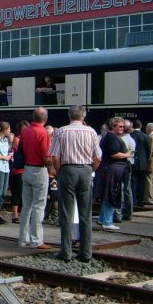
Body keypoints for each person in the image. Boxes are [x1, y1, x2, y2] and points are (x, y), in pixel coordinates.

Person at [49, 105, 101, 263]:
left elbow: (55, 157)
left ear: (69, 115)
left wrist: (59, 173)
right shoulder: (91, 132)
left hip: (67, 169)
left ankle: (66, 251)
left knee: (66, 212)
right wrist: (89, 169)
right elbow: (98, 157)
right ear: (83, 116)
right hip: (85, 170)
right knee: (86, 214)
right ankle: (86, 252)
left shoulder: (62, 131)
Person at [18, 107, 53, 249]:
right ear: (45, 118)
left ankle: (23, 239)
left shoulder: (26, 131)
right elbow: (46, 156)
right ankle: (36, 240)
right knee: (39, 206)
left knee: (26, 206)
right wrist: (53, 167)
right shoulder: (43, 133)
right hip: (39, 170)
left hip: (26, 169)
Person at [95, 117, 131, 231]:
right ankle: (107, 221)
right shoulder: (112, 137)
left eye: (123, 126)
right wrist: (127, 154)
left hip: (111, 170)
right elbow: (114, 154)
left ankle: (102, 218)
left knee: (109, 194)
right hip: (112, 171)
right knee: (111, 195)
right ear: (113, 126)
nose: (122, 128)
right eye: (119, 126)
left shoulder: (109, 137)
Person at [9, 120, 29, 224]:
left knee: (25, 193)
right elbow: (17, 154)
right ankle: (15, 214)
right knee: (17, 192)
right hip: (19, 169)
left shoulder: (28, 138)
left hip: (26, 169)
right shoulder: (17, 139)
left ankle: (22, 213)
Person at [129, 120, 149, 207]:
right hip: (143, 162)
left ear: (133, 125)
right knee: (142, 183)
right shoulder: (145, 136)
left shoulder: (131, 136)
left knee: (132, 182)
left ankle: (133, 200)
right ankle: (141, 200)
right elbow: (148, 150)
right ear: (141, 126)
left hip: (133, 162)